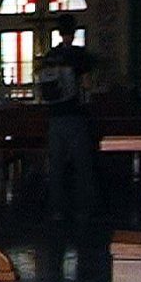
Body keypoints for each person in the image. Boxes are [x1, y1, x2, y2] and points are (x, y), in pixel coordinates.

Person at [42, 13, 96, 222]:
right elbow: (87, 84)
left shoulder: (50, 56)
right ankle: (83, 210)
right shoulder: (80, 55)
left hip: (54, 116)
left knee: (56, 165)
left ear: (58, 31)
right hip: (75, 115)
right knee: (82, 164)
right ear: (73, 31)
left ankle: (57, 210)